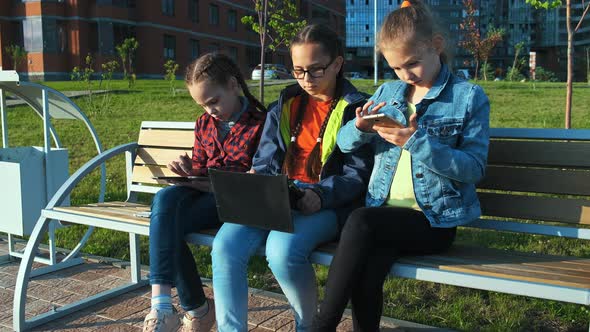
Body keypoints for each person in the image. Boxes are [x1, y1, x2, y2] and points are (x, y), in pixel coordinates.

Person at [312, 0, 491, 331]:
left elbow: (473, 169)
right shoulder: (389, 91)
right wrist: (359, 127)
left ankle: (321, 325)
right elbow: (344, 144)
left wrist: (415, 141)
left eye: (413, 64)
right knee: (366, 277)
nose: (405, 75)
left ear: (435, 46)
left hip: (433, 222)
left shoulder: (468, 97)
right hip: (384, 215)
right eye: (396, 67)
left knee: (361, 220)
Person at [210, 24, 372, 332]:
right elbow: (266, 158)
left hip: (326, 204)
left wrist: (321, 195)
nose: (306, 80)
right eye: (298, 71)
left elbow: (357, 175)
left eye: (315, 70)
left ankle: (307, 327)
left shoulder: (355, 110)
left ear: (337, 64)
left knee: (281, 252)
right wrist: (257, 179)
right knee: (225, 246)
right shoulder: (285, 104)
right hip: (276, 198)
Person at [143, 52, 267, 332]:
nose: (209, 110)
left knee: (163, 224)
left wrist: (213, 181)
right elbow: (201, 163)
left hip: (234, 202)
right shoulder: (204, 124)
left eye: (213, 101)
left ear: (234, 85)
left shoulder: (260, 122)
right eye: (202, 105)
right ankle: (161, 303)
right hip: (203, 194)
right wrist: (188, 167)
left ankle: (197, 309)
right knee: (163, 200)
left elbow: (259, 174)